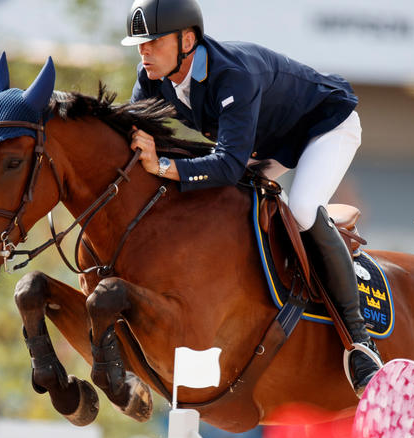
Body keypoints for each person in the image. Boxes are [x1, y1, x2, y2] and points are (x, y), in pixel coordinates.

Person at [121, 0, 380, 396]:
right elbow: (133, 143)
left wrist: (166, 167)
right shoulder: (151, 77)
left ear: (187, 40)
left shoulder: (232, 76)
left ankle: (361, 342)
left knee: (304, 209)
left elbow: (225, 164)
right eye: (141, 44)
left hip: (325, 127)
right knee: (220, 207)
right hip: (267, 145)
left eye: (153, 42)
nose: (143, 51)